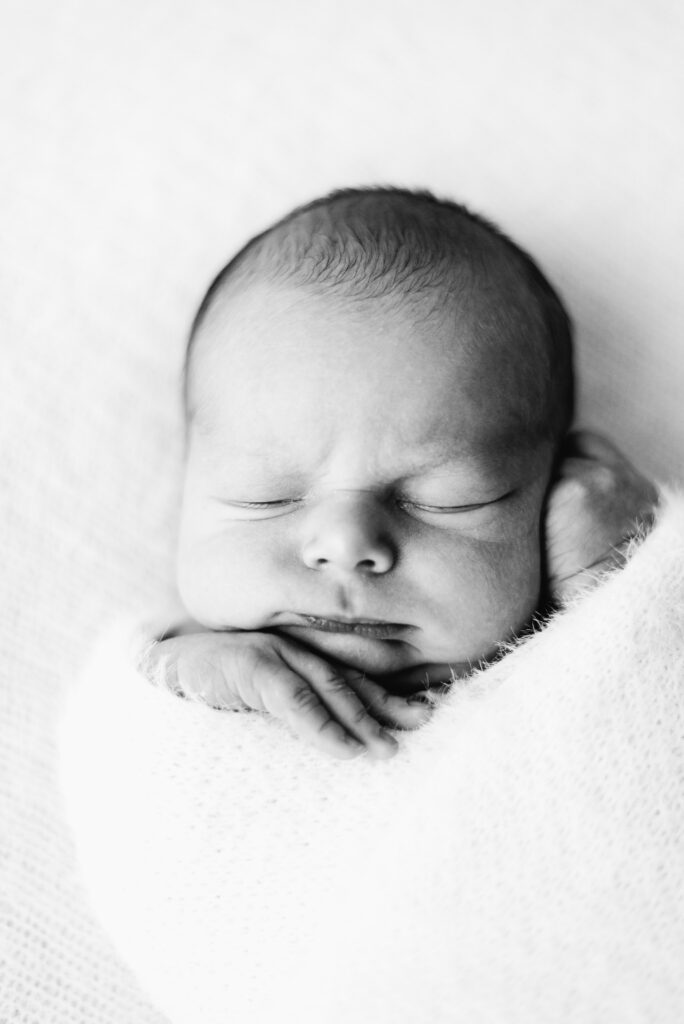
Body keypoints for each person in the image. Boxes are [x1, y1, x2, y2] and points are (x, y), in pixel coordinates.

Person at [146, 187, 657, 760]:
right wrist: (174, 676)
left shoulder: (585, 661)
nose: (345, 544)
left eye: (446, 501)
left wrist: (618, 590)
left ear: (554, 495)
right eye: (265, 496)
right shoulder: (170, 676)